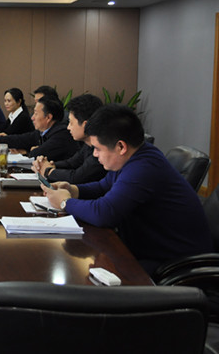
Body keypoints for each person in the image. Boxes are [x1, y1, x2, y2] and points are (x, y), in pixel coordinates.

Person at [43, 104, 212, 274]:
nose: (94, 154)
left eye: (98, 149)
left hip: (174, 264)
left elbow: (104, 213)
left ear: (121, 147)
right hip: (147, 249)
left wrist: (65, 202)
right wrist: (73, 189)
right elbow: (103, 186)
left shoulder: (143, 168)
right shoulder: (135, 156)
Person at [32, 93, 106, 184]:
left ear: (85, 125)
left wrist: (48, 171)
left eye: (71, 123)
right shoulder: (87, 145)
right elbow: (71, 163)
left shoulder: (101, 150)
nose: (68, 127)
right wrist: (48, 164)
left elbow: (76, 177)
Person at [0, 96, 78, 160]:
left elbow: (37, 153)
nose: (32, 117)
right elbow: (18, 139)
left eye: (36, 113)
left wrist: (27, 152)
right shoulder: (42, 132)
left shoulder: (61, 134)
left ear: (48, 117)